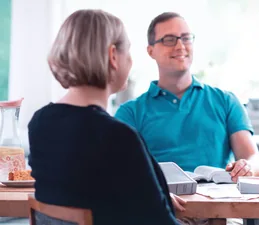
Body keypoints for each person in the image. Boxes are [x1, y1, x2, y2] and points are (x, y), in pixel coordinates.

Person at [28, 9, 181, 225]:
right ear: (112, 56)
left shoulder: (40, 123)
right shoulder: (116, 136)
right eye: (128, 50)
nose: (130, 60)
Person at [115, 12, 259, 183]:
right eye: (169, 40)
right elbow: (119, 170)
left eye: (186, 38)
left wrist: (247, 168)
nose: (180, 46)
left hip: (221, 203)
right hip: (161, 204)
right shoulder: (130, 112)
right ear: (151, 51)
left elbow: (253, 158)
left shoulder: (226, 101)